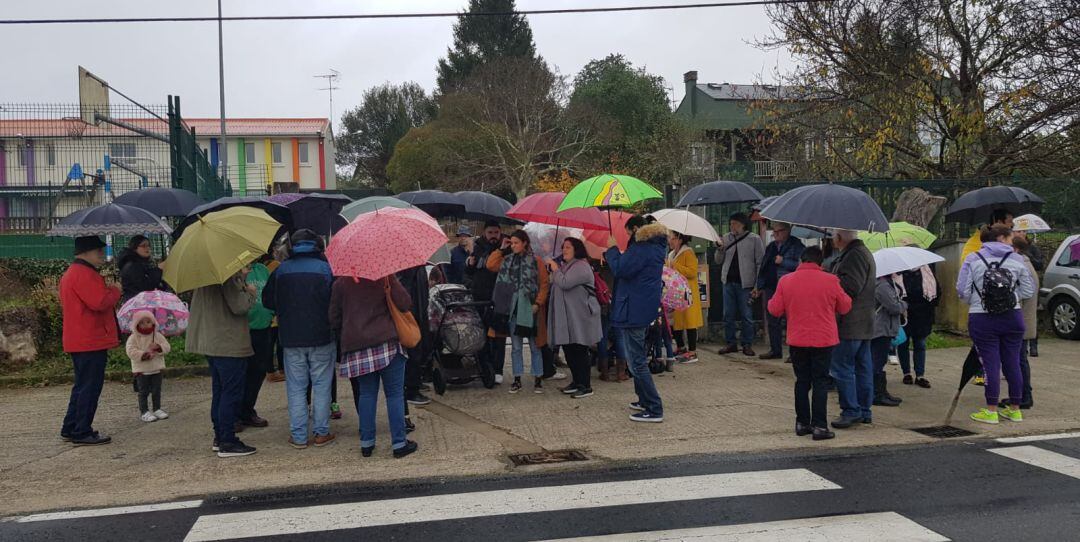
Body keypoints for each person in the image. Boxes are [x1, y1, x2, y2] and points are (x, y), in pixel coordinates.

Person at [329, 272, 418, 458]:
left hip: (357, 347)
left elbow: (334, 319)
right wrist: (392, 279)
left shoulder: (340, 284)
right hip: (387, 343)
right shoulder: (384, 276)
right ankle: (399, 444)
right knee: (394, 394)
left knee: (366, 394)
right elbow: (404, 303)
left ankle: (367, 443)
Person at [262, 229, 337, 449]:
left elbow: (267, 301)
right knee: (322, 385)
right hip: (322, 336)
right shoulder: (326, 269)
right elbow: (335, 302)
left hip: (291, 338)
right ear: (317, 246)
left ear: (292, 247)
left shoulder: (281, 270)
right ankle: (321, 433)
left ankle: (298, 436)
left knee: (295, 387)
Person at [767, 246, 851, 441]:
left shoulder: (786, 281)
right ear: (820, 263)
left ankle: (802, 423)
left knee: (802, 381)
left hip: (797, 338)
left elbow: (774, 309)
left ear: (801, 261)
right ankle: (820, 426)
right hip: (824, 339)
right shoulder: (831, 280)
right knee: (820, 381)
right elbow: (845, 306)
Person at [958, 224, 1036, 424]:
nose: (1013, 241)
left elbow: (962, 291)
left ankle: (991, 410)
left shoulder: (973, 259)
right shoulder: (1017, 260)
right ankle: (1015, 409)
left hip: (982, 318)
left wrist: (977, 301)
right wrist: (1013, 297)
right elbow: (1029, 291)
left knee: (990, 363)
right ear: (1001, 238)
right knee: (1013, 362)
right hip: (1013, 316)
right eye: (1011, 238)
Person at [187, 269, 257, 457]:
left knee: (220, 390)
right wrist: (249, 291)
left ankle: (220, 436)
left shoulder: (206, 275)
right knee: (231, 392)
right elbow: (239, 306)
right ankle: (228, 440)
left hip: (211, 341)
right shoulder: (227, 275)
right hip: (228, 342)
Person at [59, 236, 122, 446]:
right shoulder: (84, 274)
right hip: (90, 338)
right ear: (85, 252)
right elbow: (100, 302)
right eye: (98, 252)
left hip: (80, 338)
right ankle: (82, 430)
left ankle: (71, 426)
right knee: (90, 386)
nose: (102, 257)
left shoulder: (74, 273)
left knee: (81, 385)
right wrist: (115, 290)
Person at [606, 216, 669, 423]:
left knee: (637, 362)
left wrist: (613, 250)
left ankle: (654, 407)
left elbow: (621, 269)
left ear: (635, 229)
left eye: (627, 232)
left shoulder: (642, 248)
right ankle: (643, 399)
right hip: (641, 306)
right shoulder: (653, 247)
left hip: (634, 308)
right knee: (636, 357)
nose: (626, 236)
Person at [488, 230, 550, 394]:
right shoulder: (507, 260)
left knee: (534, 346)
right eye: (512, 242)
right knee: (516, 347)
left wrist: (538, 303)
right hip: (512, 309)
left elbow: (544, 283)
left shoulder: (536, 261)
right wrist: (502, 249)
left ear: (525, 243)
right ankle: (517, 378)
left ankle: (538, 378)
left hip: (530, 308)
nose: (513, 245)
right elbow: (491, 264)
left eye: (516, 242)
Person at [828, 229, 876, 429]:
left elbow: (851, 287)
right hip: (862, 322)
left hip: (850, 322)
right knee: (862, 367)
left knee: (842, 368)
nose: (832, 239)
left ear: (839, 238)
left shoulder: (854, 256)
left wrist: (830, 281)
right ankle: (863, 410)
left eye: (833, 235)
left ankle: (851, 410)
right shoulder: (861, 253)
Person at [546, 238, 603, 398]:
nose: (564, 250)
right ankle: (576, 381)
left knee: (579, 350)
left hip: (581, 317)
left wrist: (556, 269)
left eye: (568, 247)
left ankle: (585, 386)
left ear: (577, 249)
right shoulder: (568, 266)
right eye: (563, 247)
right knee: (570, 350)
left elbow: (565, 283)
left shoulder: (582, 266)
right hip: (570, 317)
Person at [962, 210, 1014, 386]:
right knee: (984, 345)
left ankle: (993, 380)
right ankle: (981, 373)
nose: (1012, 228)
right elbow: (964, 283)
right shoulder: (973, 248)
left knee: (993, 346)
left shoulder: (1011, 254)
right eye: (1010, 224)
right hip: (985, 307)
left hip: (996, 307)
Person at [753, 222, 805, 360]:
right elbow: (764, 267)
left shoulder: (796, 246)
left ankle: (795, 353)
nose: (775, 234)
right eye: (773, 232)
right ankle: (775, 349)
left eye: (778, 232)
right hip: (771, 286)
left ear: (787, 231)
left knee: (791, 320)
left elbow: (802, 265)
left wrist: (783, 261)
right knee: (772, 318)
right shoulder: (771, 247)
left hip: (789, 286)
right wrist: (759, 286)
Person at [715, 212, 764, 356]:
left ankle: (747, 343)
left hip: (746, 283)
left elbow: (760, 262)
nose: (732, 226)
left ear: (743, 225)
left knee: (746, 315)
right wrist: (719, 248)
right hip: (728, 281)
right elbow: (718, 260)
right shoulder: (726, 238)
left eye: (735, 223)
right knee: (728, 314)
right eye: (731, 223)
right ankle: (730, 342)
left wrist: (757, 284)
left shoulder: (754, 239)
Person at [468, 221, 508, 383]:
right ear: (485, 233)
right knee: (482, 333)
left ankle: (498, 369)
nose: (493, 236)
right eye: (490, 233)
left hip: (499, 297)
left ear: (500, 233)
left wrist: (502, 250)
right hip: (480, 296)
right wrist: (469, 264)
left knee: (499, 335)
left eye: (496, 233)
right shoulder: (477, 246)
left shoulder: (507, 246)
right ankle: (483, 366)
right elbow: (471, 270)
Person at [1001, 235, 1038, 410]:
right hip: (1025, 319)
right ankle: (1023, 394)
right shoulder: (1026, 262)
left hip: (1020, 319)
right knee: (1019, 359)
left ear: (1015, 248)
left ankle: (1024, 396)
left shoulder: (1021, 265)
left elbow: (1025, 292)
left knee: (1018, 360)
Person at [242, 257, 273, 428]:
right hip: (244, 329)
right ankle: (236, 413)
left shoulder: (262, 269)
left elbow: (270, 292)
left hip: (264, 327)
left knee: (259, 371)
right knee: (242, 372)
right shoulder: (235, 270)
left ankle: (248, 409)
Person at [126, 310, 171, 422]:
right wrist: (144, 355)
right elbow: (130, 351)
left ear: (153, 322)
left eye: (148, 321)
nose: (146, 324)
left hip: (156, 368)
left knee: (157, 390)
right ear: (136, 324)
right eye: (142, 322)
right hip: (142, 370)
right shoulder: (133, 337)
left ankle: (157, 408)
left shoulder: (157, 336)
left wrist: (159, 347)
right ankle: (144, 411)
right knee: (143, 391)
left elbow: (167, 347)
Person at [898, 265, 938, 388]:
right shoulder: (899, 273)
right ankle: (906, 374)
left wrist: (928, 306)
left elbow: (937, 292)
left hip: (922, 316)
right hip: (904, 315)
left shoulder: (927, 272)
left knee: (920, 344)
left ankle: (920, 375)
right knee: (903, 344)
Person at [398, 264, 433, 407]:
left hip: (418, 312)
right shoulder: (407, 266)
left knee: (418, 350)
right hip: (412, 314)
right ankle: (411, 389)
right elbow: (406, 292)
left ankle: (415, 382)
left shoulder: (417, 266)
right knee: (413, 351)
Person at [871, 274, 907, 407]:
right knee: (877, 361)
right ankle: (877, 394)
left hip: (882, 328)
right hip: (881, 329)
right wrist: (904, 304)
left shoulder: (885, 283)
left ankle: (880, 392)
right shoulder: (882, 286)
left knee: (878, 361)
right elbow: (893, 307)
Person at [666, 232, 702, 362]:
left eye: (673, 238)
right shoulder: (671, 254)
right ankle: (681, 347)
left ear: (680, 239)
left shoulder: (688, 252)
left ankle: (692, 351)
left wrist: (675, 266)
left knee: (690, 320)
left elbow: (692, 272)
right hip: (676, 291)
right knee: (676, 320)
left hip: (688, 292)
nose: (670, 240)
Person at [1012, 229, 1043, 358]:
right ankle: (1023, 346)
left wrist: (1029, 257)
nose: (1021, 233)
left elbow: (1040, 264)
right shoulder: (1014, 251)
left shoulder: (1032, 248)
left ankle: (1033, 345)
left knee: (1031, 316)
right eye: (1018, 231)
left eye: (1023, 231)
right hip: (1022, 288)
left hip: (1031, 283)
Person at [117, 235, 166, 304]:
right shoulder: (132, 265)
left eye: (149, 245)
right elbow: (145, 287)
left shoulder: (141, 263)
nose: (147, 248)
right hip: (136, 304)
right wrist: (158, 269)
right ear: (134, 248)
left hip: (140, 302)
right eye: (143, 246)